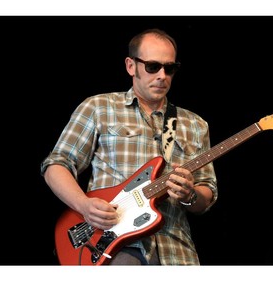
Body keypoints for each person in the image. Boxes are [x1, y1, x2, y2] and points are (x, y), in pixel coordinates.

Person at [40, 28, 218, 265]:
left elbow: (207, 192)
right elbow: (56, 165)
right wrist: (84, 206)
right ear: (131, 66)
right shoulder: (99, 107)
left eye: (170, 68)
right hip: (113, 245)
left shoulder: (195, 124)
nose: (162, 75)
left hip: (176, 251)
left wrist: (189, 194)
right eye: (153, 66)